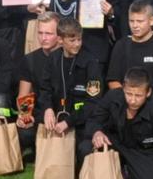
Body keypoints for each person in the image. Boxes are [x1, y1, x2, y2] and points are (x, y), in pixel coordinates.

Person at [36, 18, 104, 148]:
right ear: (60, 40)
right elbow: (45, 89)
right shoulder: (53, 59)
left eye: (79, 39)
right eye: (72, 40)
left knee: (82, 149)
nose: (77, 44)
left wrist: (68, 122)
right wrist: (48, 109)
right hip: (57, 116)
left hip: (80, 120)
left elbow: (93, 102)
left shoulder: (90, 62)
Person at [107, 2, 153, 103]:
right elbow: (113, 80)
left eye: (140, 21)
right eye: (131, 21)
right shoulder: (121, 45)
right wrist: (130, 100)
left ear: (151, 20)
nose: (135, 25)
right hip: (126, 104)